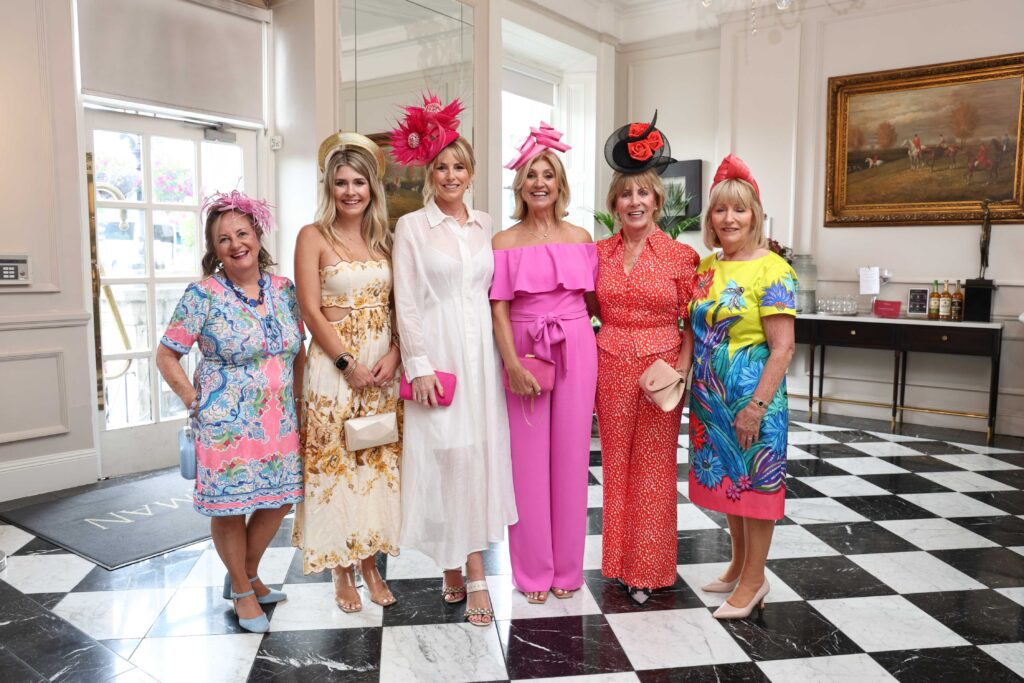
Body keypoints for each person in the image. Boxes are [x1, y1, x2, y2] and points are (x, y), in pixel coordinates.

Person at [390, 93, 517, 626]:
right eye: (441, 165)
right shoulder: (413, 229)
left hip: (482, 360)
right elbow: (407, 300)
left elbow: (500, 294)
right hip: (439, 358)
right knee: (445, 459)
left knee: (474, 459)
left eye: (459, 165)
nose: (450, 174)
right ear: (429, 172)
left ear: (470, 172)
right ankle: (460, 566)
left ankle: (470, 568)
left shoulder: (486, 224)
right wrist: (417, 365)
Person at [156, 191, 305, 633]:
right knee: (230, 508)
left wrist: (301, 402)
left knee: (278, 501)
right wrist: (192, 399)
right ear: (214, 248)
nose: (236, 244)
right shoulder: (201, 295)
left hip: (280, 419)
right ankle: (242, 588)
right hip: (225, 423)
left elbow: (298, 353)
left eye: (243, 233)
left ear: (258, 236)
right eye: (224, 238)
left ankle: (247, 571)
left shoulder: (284, 290)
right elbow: (167, 356)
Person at [290, 133, 402, 613]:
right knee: (334, 466)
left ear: (372, 187)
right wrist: (346, 364)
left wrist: (395, 354)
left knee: (375, 466)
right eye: (341, 182)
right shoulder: (312, 236)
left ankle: (371, 563)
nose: (350, 191)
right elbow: (311, 311)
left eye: (359, 182)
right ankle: (340, 569)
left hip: (381, 372)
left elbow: (401, 304)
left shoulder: (385, 239)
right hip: (334, 373)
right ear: (329, 187)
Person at [593, 112, 699, 605]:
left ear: (657, 201)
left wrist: (679, 370)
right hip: (610, 362)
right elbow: (589, 309)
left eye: (643, 194)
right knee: (615, 463)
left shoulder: (681, 257)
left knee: (655, 467)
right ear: (614, 202)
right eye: (625, 194)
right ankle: (617, 562)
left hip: (661, 368)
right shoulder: (598, 254)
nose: (634, 202)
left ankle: (650, 569)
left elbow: (692, 322)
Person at [490, 123, 597, 604]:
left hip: (575, 343)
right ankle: (533, 572)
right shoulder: (503, 241)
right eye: (531, 174)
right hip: (524, 346)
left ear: (560, 184)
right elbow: (499, 308)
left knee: (573, 460)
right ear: (520, 184)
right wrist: (511, 362)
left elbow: (596, 302)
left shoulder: (581, 235)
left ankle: (568, 571)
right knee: (528, 464)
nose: (539, 182)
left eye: (548, 174)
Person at [687, 154, 797, 620]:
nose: (729, 219)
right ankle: (737, 564)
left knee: (756, 487)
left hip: (754, 399)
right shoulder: (708, 266)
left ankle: (755, 581)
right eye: (720, 210)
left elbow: (783, 348)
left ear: (755, 215)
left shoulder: (772, 268)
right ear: (710, 218)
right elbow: (693, 329)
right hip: (712, 399)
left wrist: (755, 406)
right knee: (731, 483)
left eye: (739, 210)